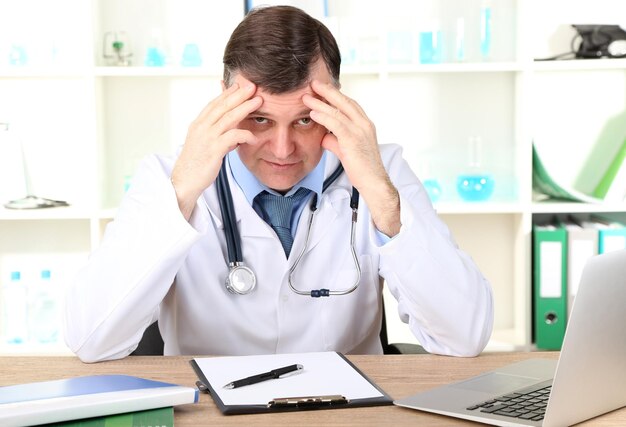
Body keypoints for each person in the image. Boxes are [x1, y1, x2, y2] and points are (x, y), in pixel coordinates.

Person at [64, 5, 493, 363]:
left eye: (305, 119)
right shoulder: (167, 177)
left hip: (346, 415)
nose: (284, 149)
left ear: (336, 103)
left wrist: (384, 200)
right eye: (260, 119)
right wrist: (179, 195)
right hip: (210, 413)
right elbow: (89, 339)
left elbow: (465, 336)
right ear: (224, 102)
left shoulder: (381, 171)